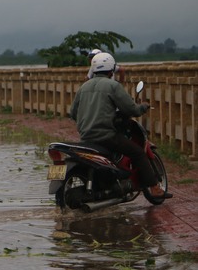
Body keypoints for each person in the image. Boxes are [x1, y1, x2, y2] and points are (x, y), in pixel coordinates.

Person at [69, 52, 171, 199]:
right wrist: (143, 107)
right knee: (137, 153)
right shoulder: (113, 85)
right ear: (111, 71)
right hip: (106, 136)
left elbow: (73, 113)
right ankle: (154, 188)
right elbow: (131, 109)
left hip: (86, 137)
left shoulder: (84, 87)